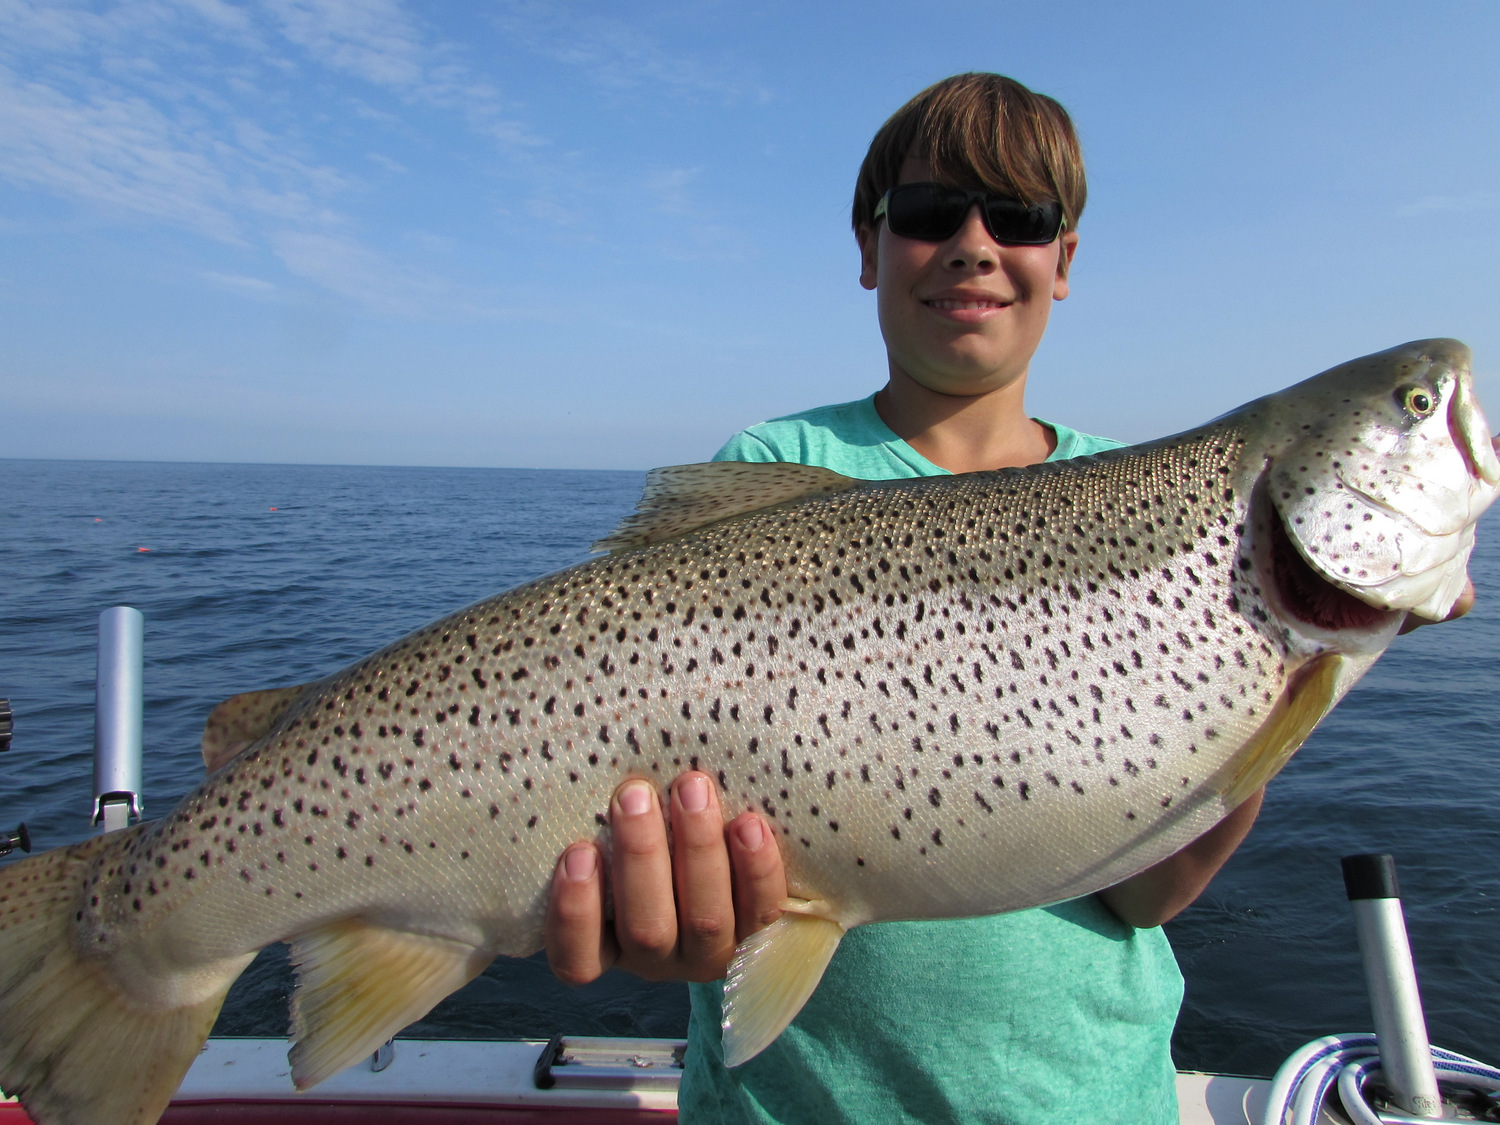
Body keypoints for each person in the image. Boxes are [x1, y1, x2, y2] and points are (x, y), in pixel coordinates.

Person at [539, 73, 1468, 1123]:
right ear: (868, 247)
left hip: (1090, 1099)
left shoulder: (1147, 493)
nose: (974, 245)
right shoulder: (772, 467)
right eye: (933, 214)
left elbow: (1148, 891)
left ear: (1062, 260)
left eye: (1017, 218)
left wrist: (1290, 678)